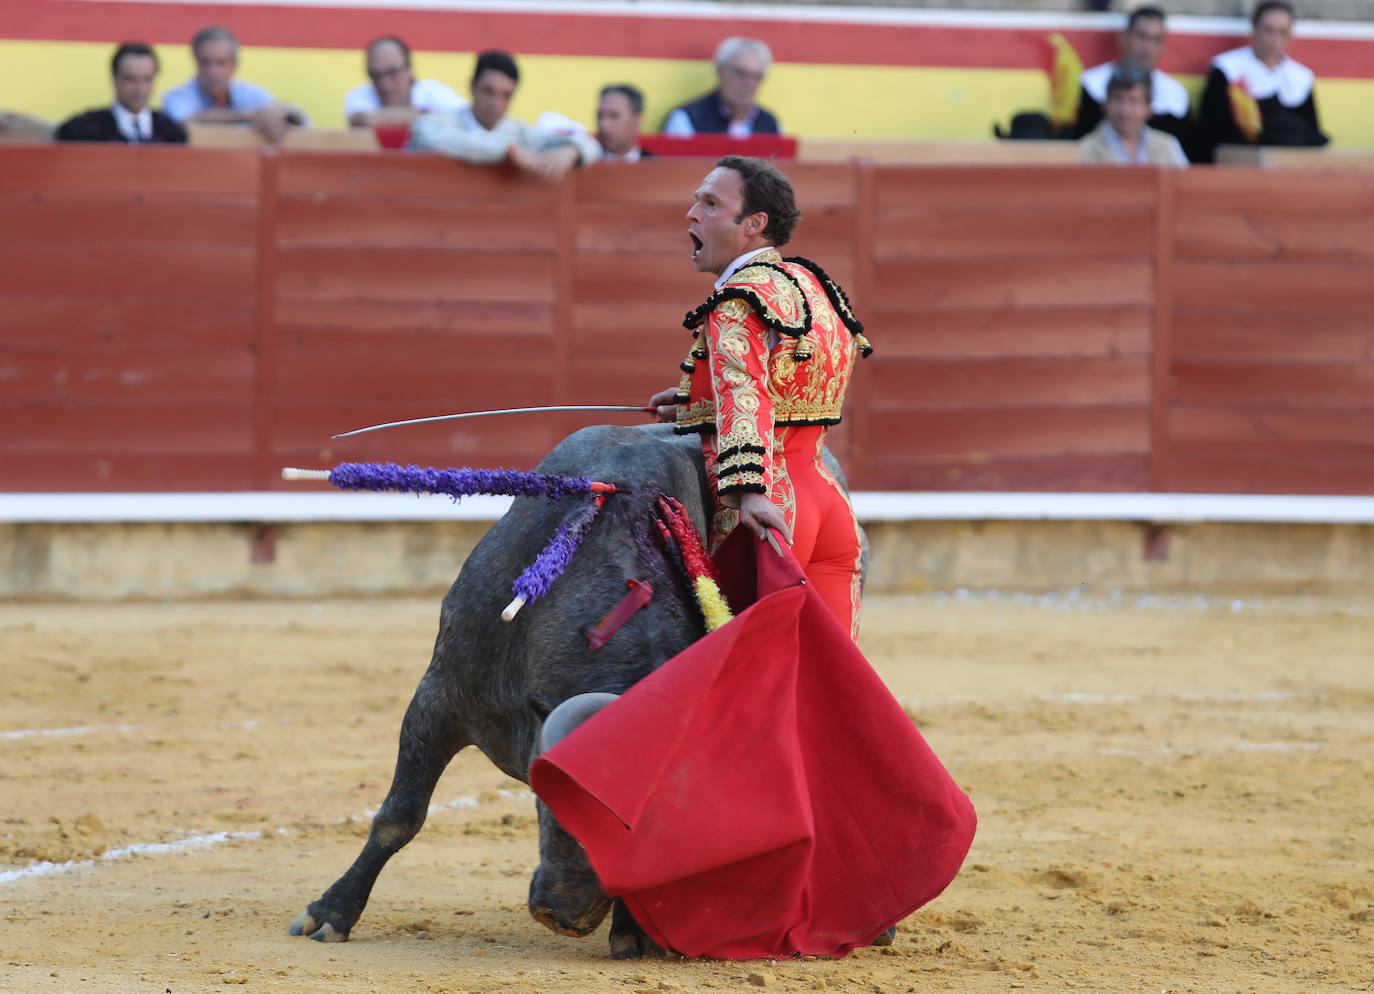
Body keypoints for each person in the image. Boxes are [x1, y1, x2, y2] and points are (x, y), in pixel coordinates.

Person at [647, 156, 872, 639]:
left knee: (748, 678)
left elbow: (746, 391)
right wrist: (693, 400)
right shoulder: (813, 285)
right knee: (825, 680)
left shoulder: (736, 300)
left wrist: (749, 491)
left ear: (753, 224)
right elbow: (787, 385)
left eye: (710, 203)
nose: (692, 213)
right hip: (829, 506)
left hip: (772, 510)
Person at [409, 51, 602, 181]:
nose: (496, 103)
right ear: (472, 87)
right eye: (488, 91)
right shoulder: (440, 122)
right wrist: (508, 150)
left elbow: (591, 145)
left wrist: (573, 152)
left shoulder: (518, 132)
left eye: (506, 95)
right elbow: (428, 137)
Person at [1194, 0, 1327, 163]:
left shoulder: (1301, 77)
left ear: (1291, 35)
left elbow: (1312, 134)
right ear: (1254, 29)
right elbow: (1209, 132)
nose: (1274, 40)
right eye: (1268, 30)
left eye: (1282, 32)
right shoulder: (1228, 69)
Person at [162, 26, 305, 143]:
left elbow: (302, 123)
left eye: (221, 63)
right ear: (195, 62)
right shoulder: (177, 96)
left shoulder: (253, 94)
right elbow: (184, 122)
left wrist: (285, 111)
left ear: (234, 65)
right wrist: (248, 115)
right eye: (205, 62)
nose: (212, 71)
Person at [1073, 6, 1190, 149]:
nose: (1148, 47)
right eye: (1142, 36)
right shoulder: (1092, 84)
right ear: (1124, 37)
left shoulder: (1176, 94)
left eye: (1156, 40)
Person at [55, 42, 187, 144]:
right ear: (114, 79)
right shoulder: (82, 129)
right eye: (130, 79)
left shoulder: (171, 132)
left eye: (146, 79)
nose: (139, 88)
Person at [663, 38, 781, 138]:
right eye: (740, 73)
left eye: (756, 77)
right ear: (720, 70)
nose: (748, 83)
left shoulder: (770, 123)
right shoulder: (686, 118)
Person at [344, 36, 466, 129]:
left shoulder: (432, 91)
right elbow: (363, 122)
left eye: (393, 73)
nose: (385, 84)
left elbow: (465, 119)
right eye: (376, 76)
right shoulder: (359, 94)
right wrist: (426, 115)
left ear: (410, 71)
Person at [1078, 67, 1188, 167]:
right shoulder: (1087, 148)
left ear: (1149, 108)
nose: (1124, 110)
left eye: (1133, 101)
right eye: (1118, 100)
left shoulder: (1167, 145)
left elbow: (1184, 184)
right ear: (1105, 105)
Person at [596, 84, 652, 162]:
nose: (604, 125)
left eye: (614, 116)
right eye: (600, 116)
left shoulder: (658, 165)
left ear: (637, 120)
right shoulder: (585, 164)